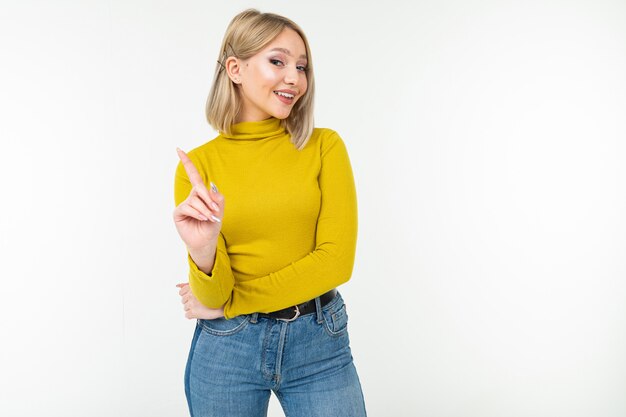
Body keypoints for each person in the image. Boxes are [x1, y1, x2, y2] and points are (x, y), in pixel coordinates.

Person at [173, 8, 367, 417]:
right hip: (227, 346)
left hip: (318, 342)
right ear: (235, 68)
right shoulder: (199, 166)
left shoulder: (324, 147)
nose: (294, 78)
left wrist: (234, 302)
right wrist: (203, 252)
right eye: (277, 61)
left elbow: (335, 262)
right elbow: (211, 295)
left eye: (302, 66)